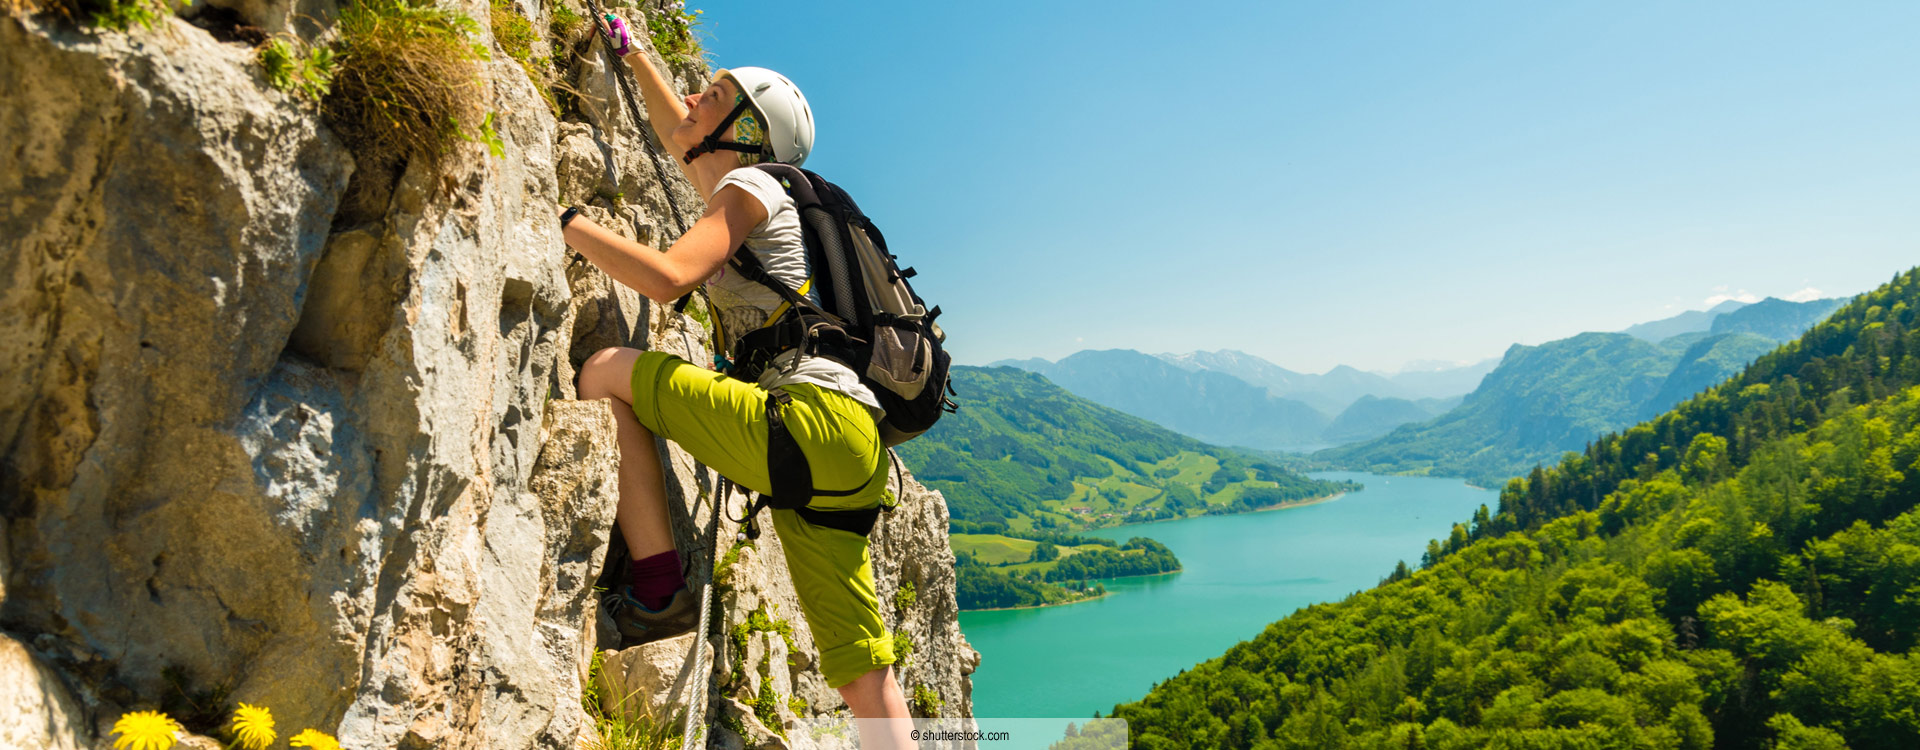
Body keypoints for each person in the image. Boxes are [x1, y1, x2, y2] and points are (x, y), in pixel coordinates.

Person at [558, 14, 916, 738]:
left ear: (752, 131)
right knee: (861, 667)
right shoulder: (772, 189)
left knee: (602, 371)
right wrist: (631, 56)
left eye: (715, 93)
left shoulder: (750, 185)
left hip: (804, 424)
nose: (696, 95)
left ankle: (659, 592)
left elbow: (665, 280)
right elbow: (680, 134)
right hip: (854, 445)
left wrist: (563, 218)